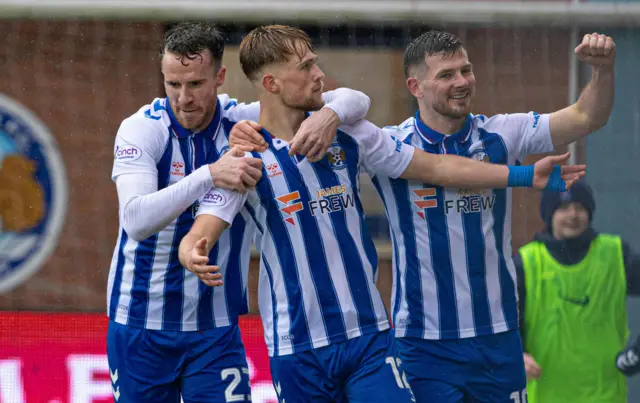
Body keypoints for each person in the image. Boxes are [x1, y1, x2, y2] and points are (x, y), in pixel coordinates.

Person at [179, 25, 585, 403]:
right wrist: (192, 251)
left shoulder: (349, 135)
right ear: (271, 84)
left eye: (316, 62)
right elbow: (204, 228)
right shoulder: (242, 158)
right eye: (306, 67)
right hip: (296, 345)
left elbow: (436, 167)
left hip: (369, 337)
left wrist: (523, 174)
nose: (320, 74)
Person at [106, 21, 373, 403]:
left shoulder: (241, 119)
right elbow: (136, 221)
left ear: (220, 77)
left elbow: (355, 100)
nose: (183, 98)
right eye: (173, 84)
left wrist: (327, 116)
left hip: (215, 326)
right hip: (140, 323)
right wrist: (210, 174)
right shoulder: (141, 130)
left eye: (196, 84)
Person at [515, 180, 640, 403]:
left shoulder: (616, 255)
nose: (573, 215)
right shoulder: (526, 263)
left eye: (580, 207)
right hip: (544, 395)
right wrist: (514, 355)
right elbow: (499, 324)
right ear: (549, 214)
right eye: (563, 207)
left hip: (605, 396)